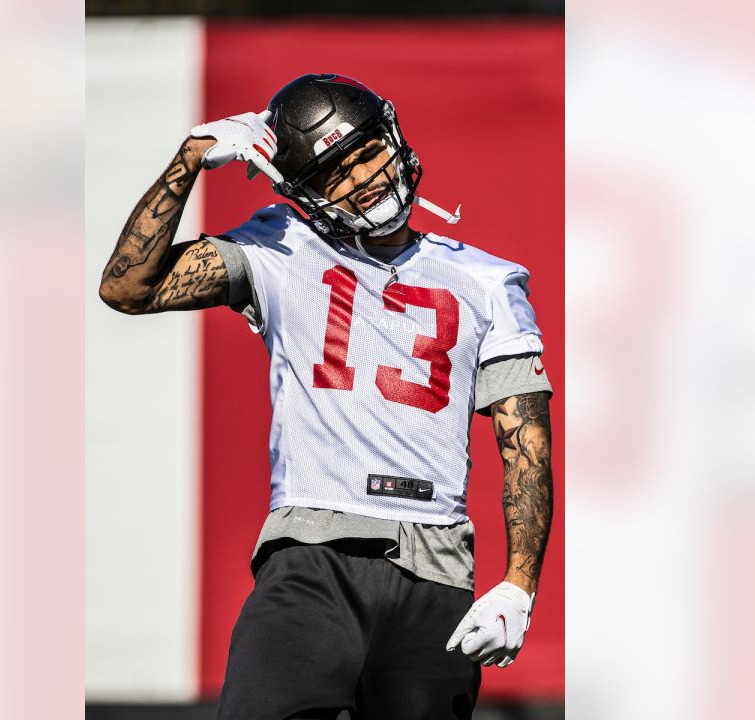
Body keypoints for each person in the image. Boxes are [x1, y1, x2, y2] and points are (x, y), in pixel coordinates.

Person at [99, 73, 554, 720]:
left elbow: (526, 442)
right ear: (305, 191)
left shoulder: (488, 280)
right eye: (334, 172)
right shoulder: (279, 246)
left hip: (438, 568)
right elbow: (128, 288)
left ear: (393, 138)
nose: (362, 176)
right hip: (313, 555)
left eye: (366, 152)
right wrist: (189, 158)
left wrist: (519, 585)